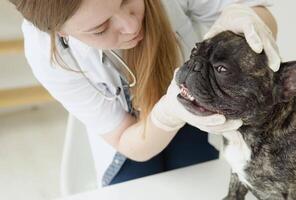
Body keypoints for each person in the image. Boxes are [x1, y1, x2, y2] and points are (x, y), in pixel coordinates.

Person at [8, 0, 280, 187]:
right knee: (138, 184)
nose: (130, 25)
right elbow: (129, 141)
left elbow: (253, 10)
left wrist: (252, 19)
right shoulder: (48, 54)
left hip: (193, 114)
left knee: (199, 179)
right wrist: (167, 115)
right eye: (100, 29)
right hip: (133, 136)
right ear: (60, 34)